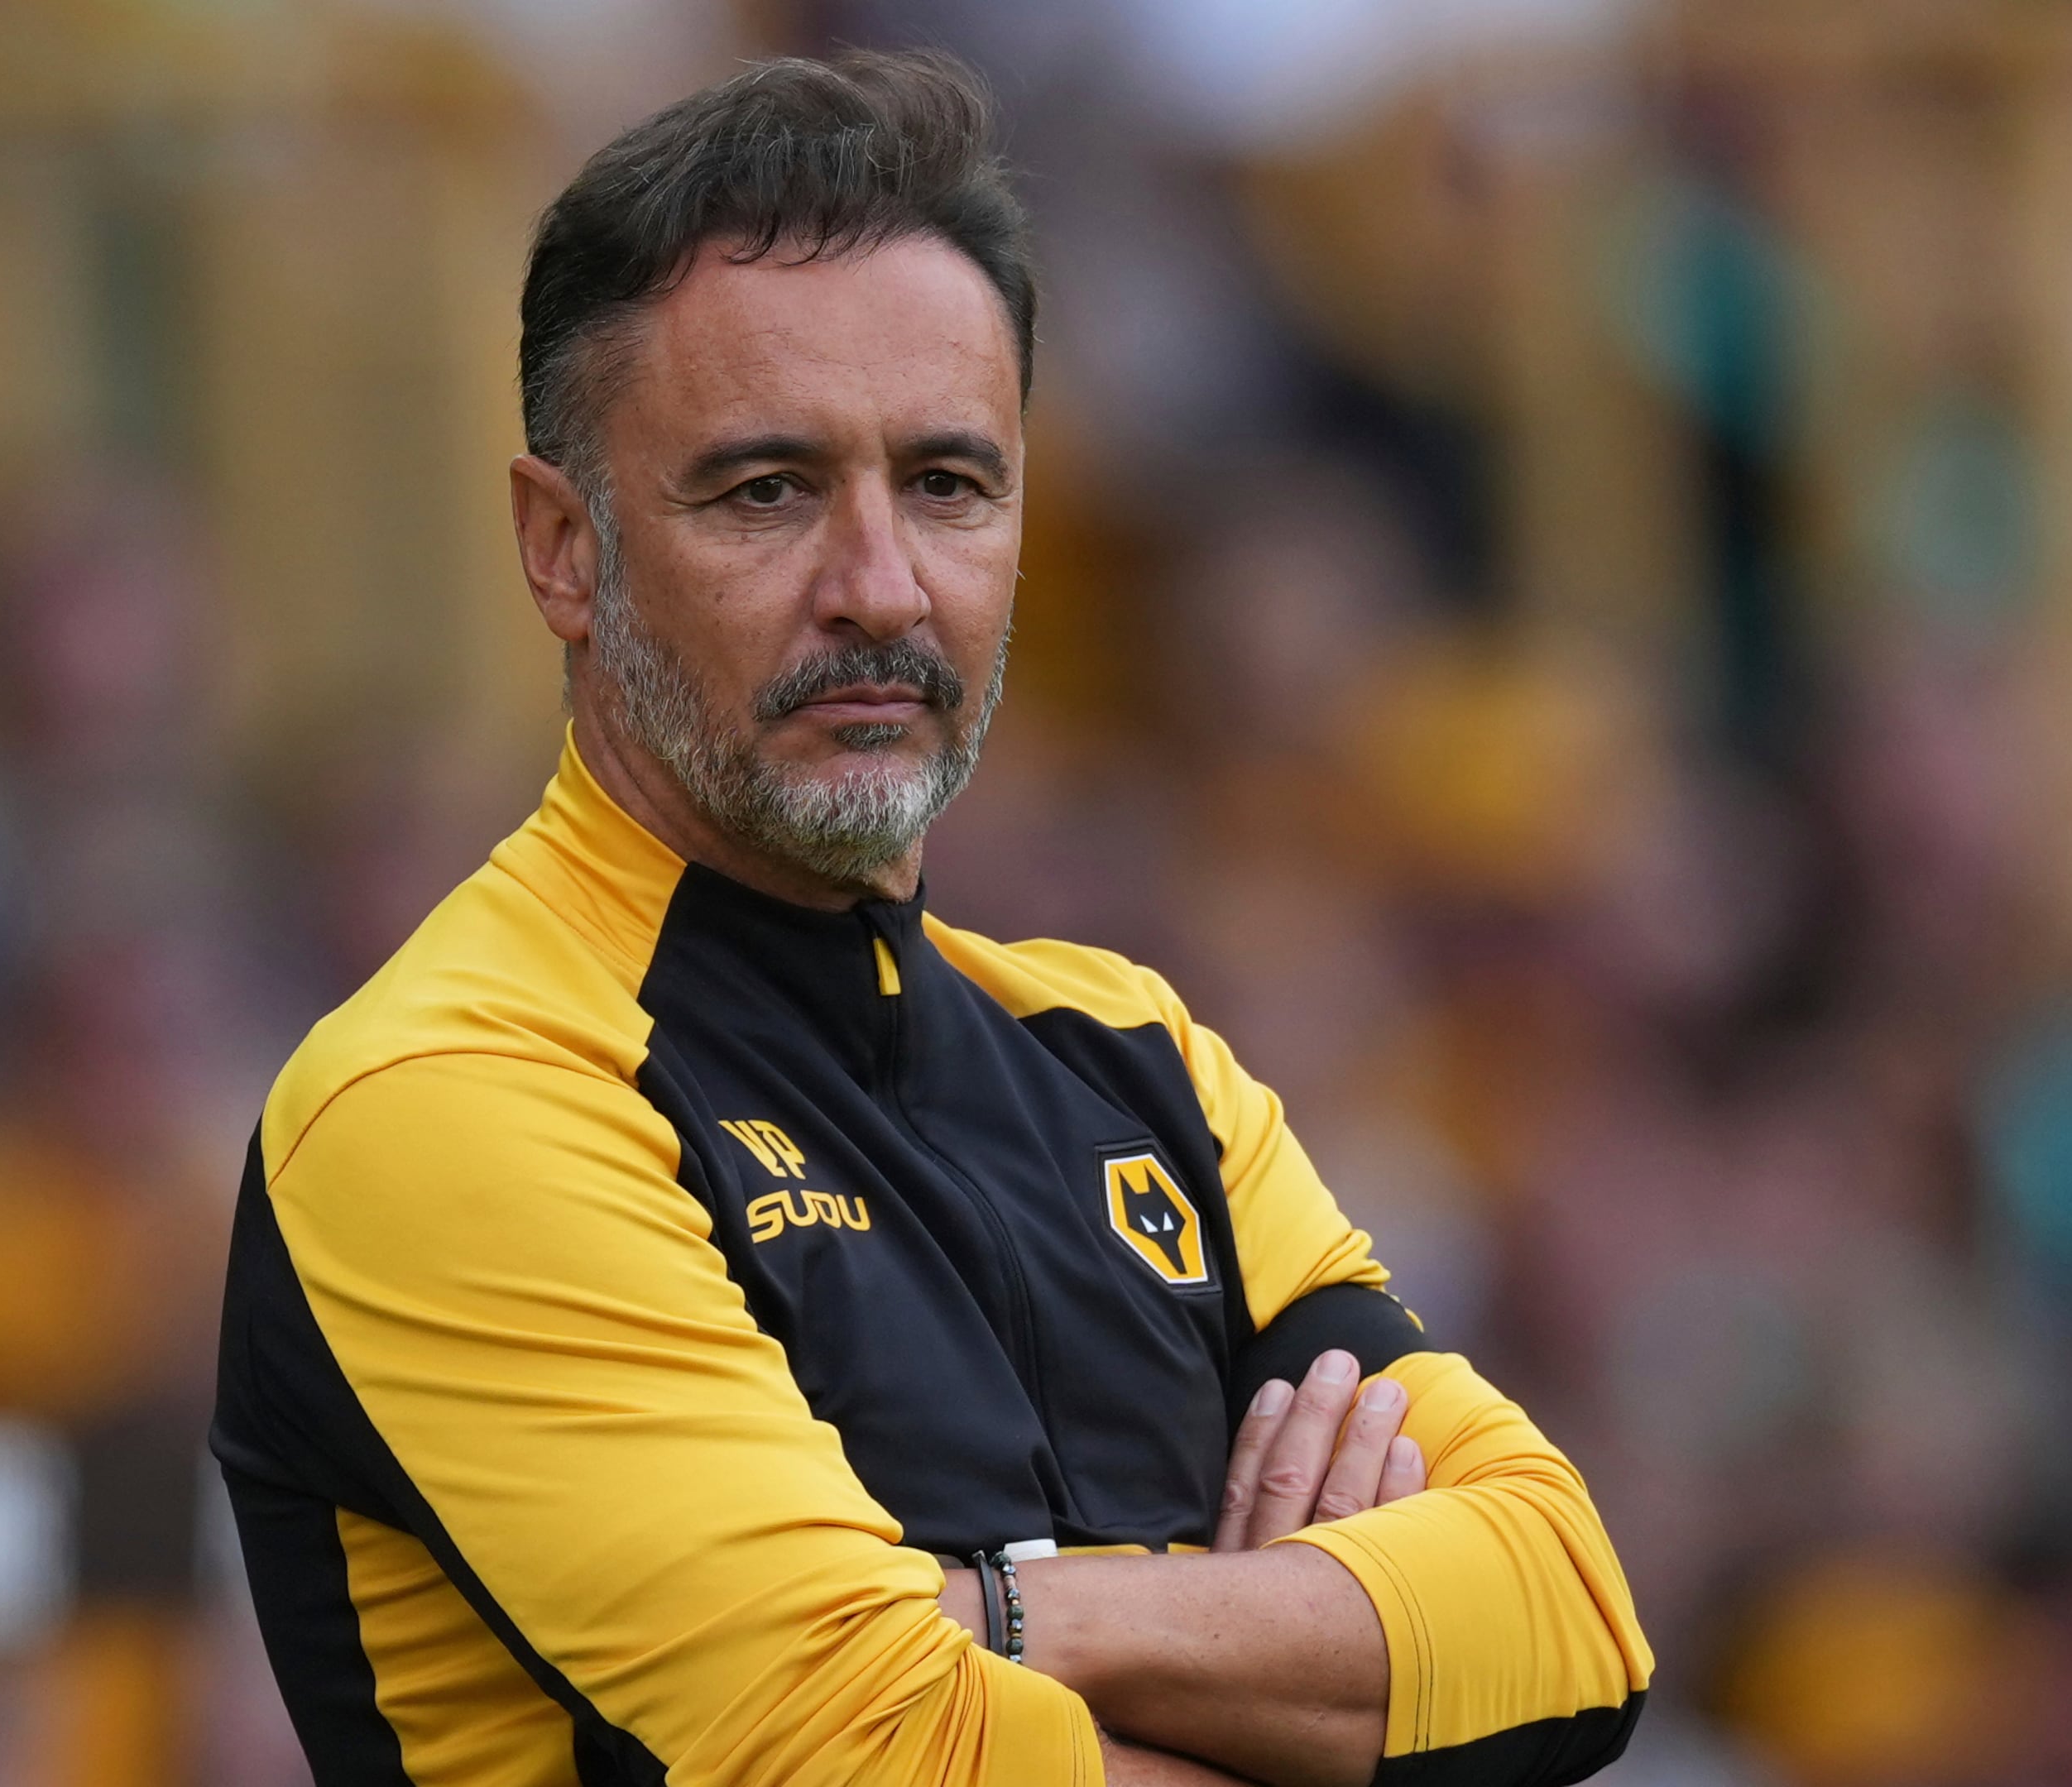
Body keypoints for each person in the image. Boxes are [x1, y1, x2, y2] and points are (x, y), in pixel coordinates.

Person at [210, 50, 1648, 1787]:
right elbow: (868, 1750)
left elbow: (1570, 1627)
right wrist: (1286, 1649)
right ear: (561, 549)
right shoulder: (447, 1095)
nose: (882, 587)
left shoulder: (1138, 1058)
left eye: (951, 485)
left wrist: (1011, 1620)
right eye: (767, 490)